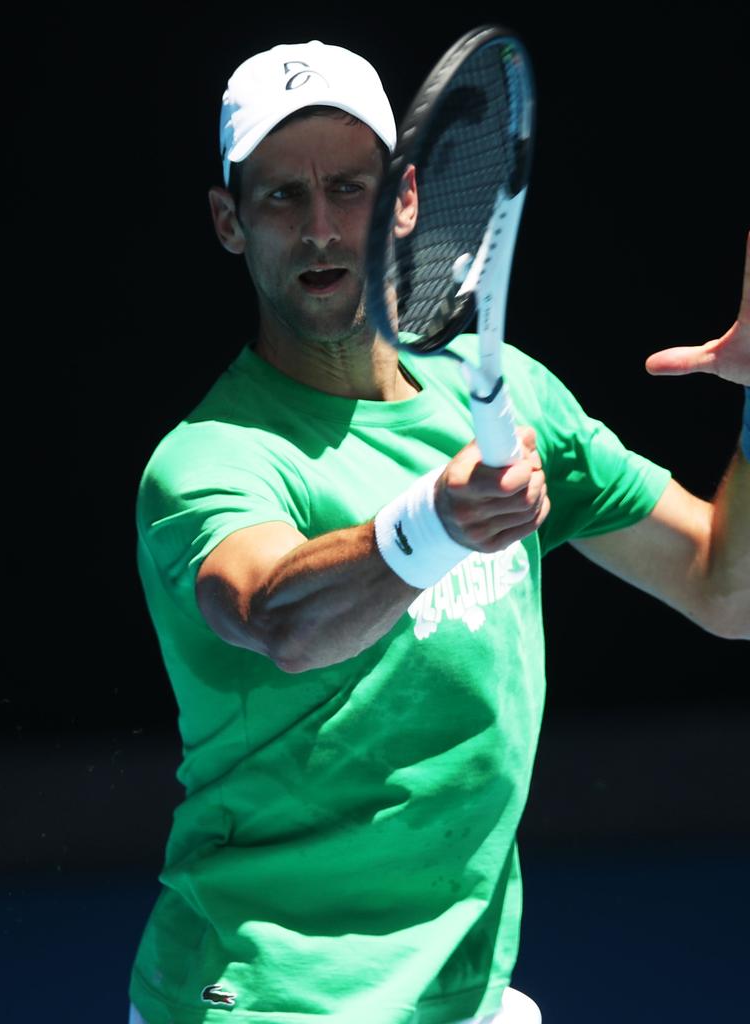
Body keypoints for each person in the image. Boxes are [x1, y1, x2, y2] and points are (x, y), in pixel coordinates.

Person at [129, 39, 749, 1024]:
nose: (322, 228)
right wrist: (434, 524)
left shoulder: (510, 398)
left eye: (349, 187)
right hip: (267, 996)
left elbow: (728, 590)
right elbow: (275, 613)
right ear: (230, 222)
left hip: (461, 990)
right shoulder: (208, 461)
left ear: (407, 199)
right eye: (282, 197)